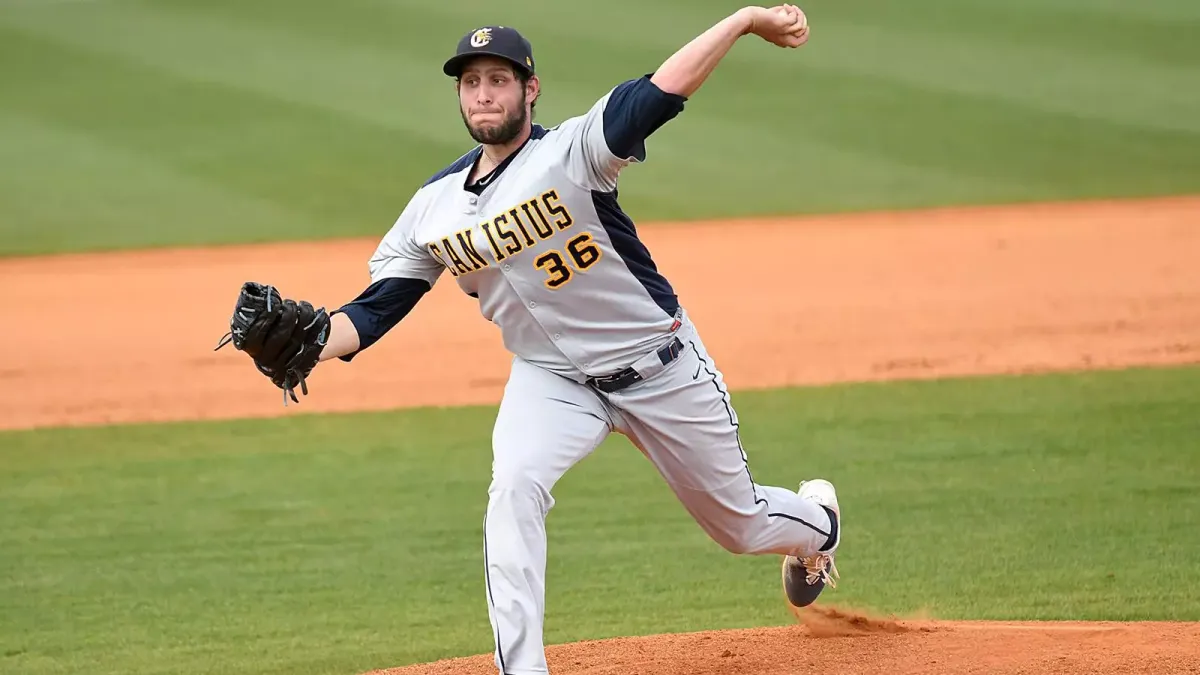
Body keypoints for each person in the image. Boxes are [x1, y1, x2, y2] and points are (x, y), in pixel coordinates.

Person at [235, 6, 840, 674]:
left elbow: (660, 92)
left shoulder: (573, 154)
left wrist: (744, 20)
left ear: (531, 89)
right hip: (551, 379)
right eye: (471, 82)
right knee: (514, 487)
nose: (484, 93)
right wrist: (316, 340)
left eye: (499, 79)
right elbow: (377, 309)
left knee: (740, 526)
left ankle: (819, 526)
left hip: (660, 368)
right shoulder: (434, 207)